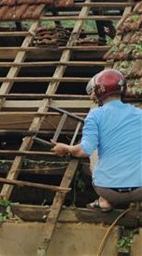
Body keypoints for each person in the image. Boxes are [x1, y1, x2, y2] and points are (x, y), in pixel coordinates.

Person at [52, 69, 142, 211]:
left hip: (107, 190)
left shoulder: (95, 115)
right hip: (140, 190)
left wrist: (67, 148)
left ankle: (105, 201)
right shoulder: (139, 114)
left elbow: (84, 150)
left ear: (99, 92)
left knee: (94, 148)